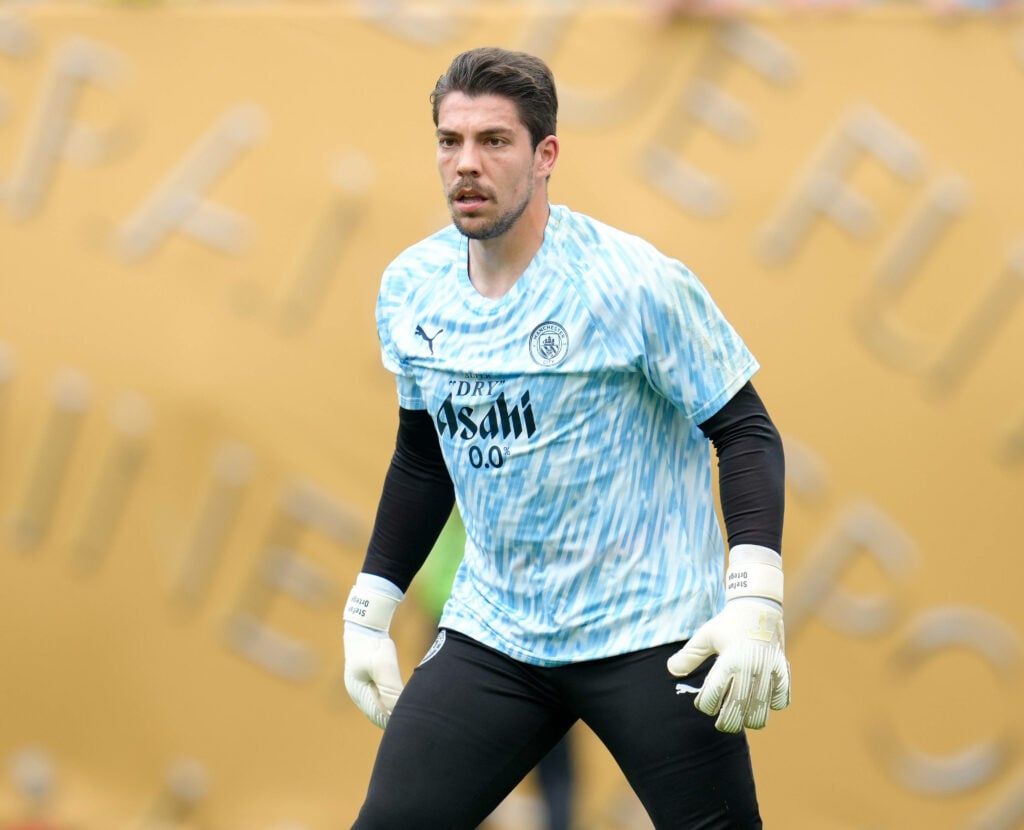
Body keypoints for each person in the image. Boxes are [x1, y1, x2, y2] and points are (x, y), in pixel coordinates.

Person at [342, 46, 790, 830]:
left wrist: (755, 599)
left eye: (494, 141)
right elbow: (424, 454)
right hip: (498, 633)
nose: (467, 165)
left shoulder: (633, 282)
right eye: (450, 142)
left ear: (546, 155)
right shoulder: (411, 287)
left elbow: (745, 430)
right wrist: (369, 609)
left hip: (652, 633)